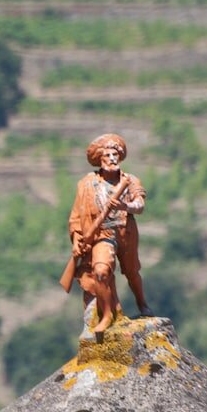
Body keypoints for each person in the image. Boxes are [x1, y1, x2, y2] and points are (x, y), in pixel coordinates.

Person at [67, 133, 153, 336]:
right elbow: (76, 215)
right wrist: (78, 238)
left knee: (131, 272)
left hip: (126, 232)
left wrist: (126, 205)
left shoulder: (130, 181)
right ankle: (107, 314)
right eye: (107, 155)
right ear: (100, 159)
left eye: (115, 154)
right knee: (101, 272)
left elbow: (140, 205)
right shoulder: (87, 184)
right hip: (101, 234)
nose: (112, 158)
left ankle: (142, 303)